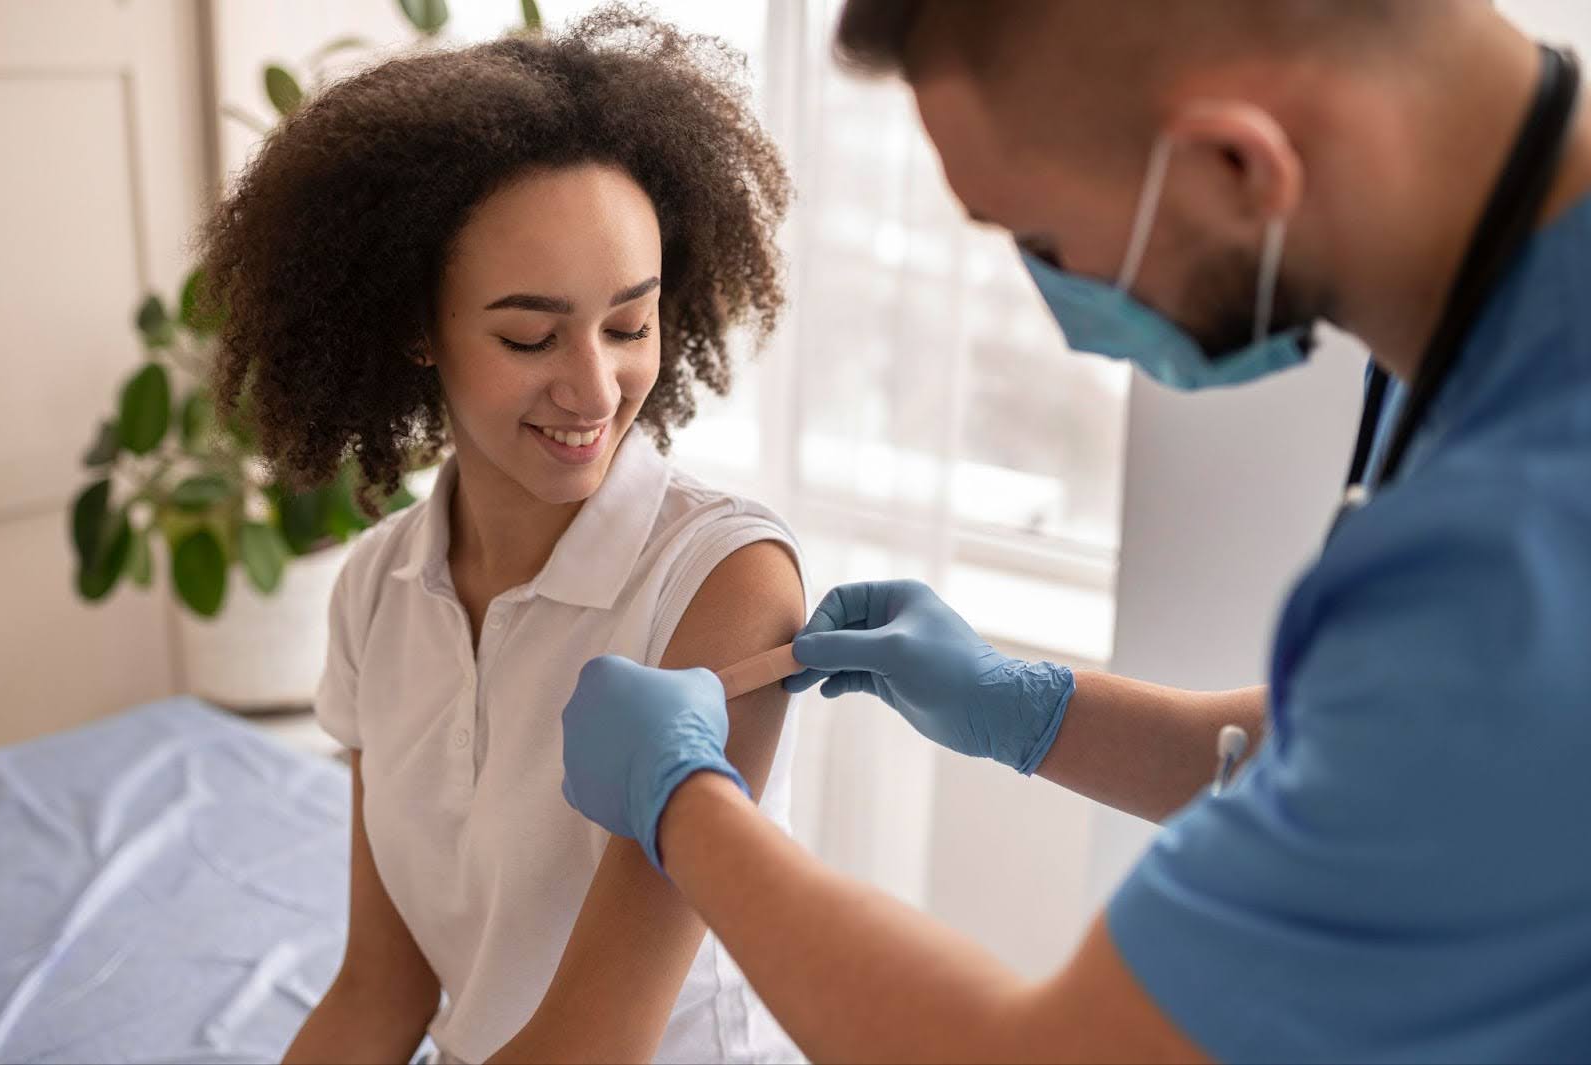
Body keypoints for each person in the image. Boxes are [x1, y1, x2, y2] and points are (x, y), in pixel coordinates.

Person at [558, 1, 1591, 1060]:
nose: (1060, 310)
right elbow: (1396, 765)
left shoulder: (1524, 545)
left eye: (1042, 241)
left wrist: (685, 805)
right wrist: (1034, 710)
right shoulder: (1493, 335)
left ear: (1236, 163)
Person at [199, 10, 806, 1064]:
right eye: (529, 335)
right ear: (414, 328)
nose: (593, 386)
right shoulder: (378, 589)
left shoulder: (725, 584)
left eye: (630, 325)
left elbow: (594, 1042)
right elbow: (379, 994)